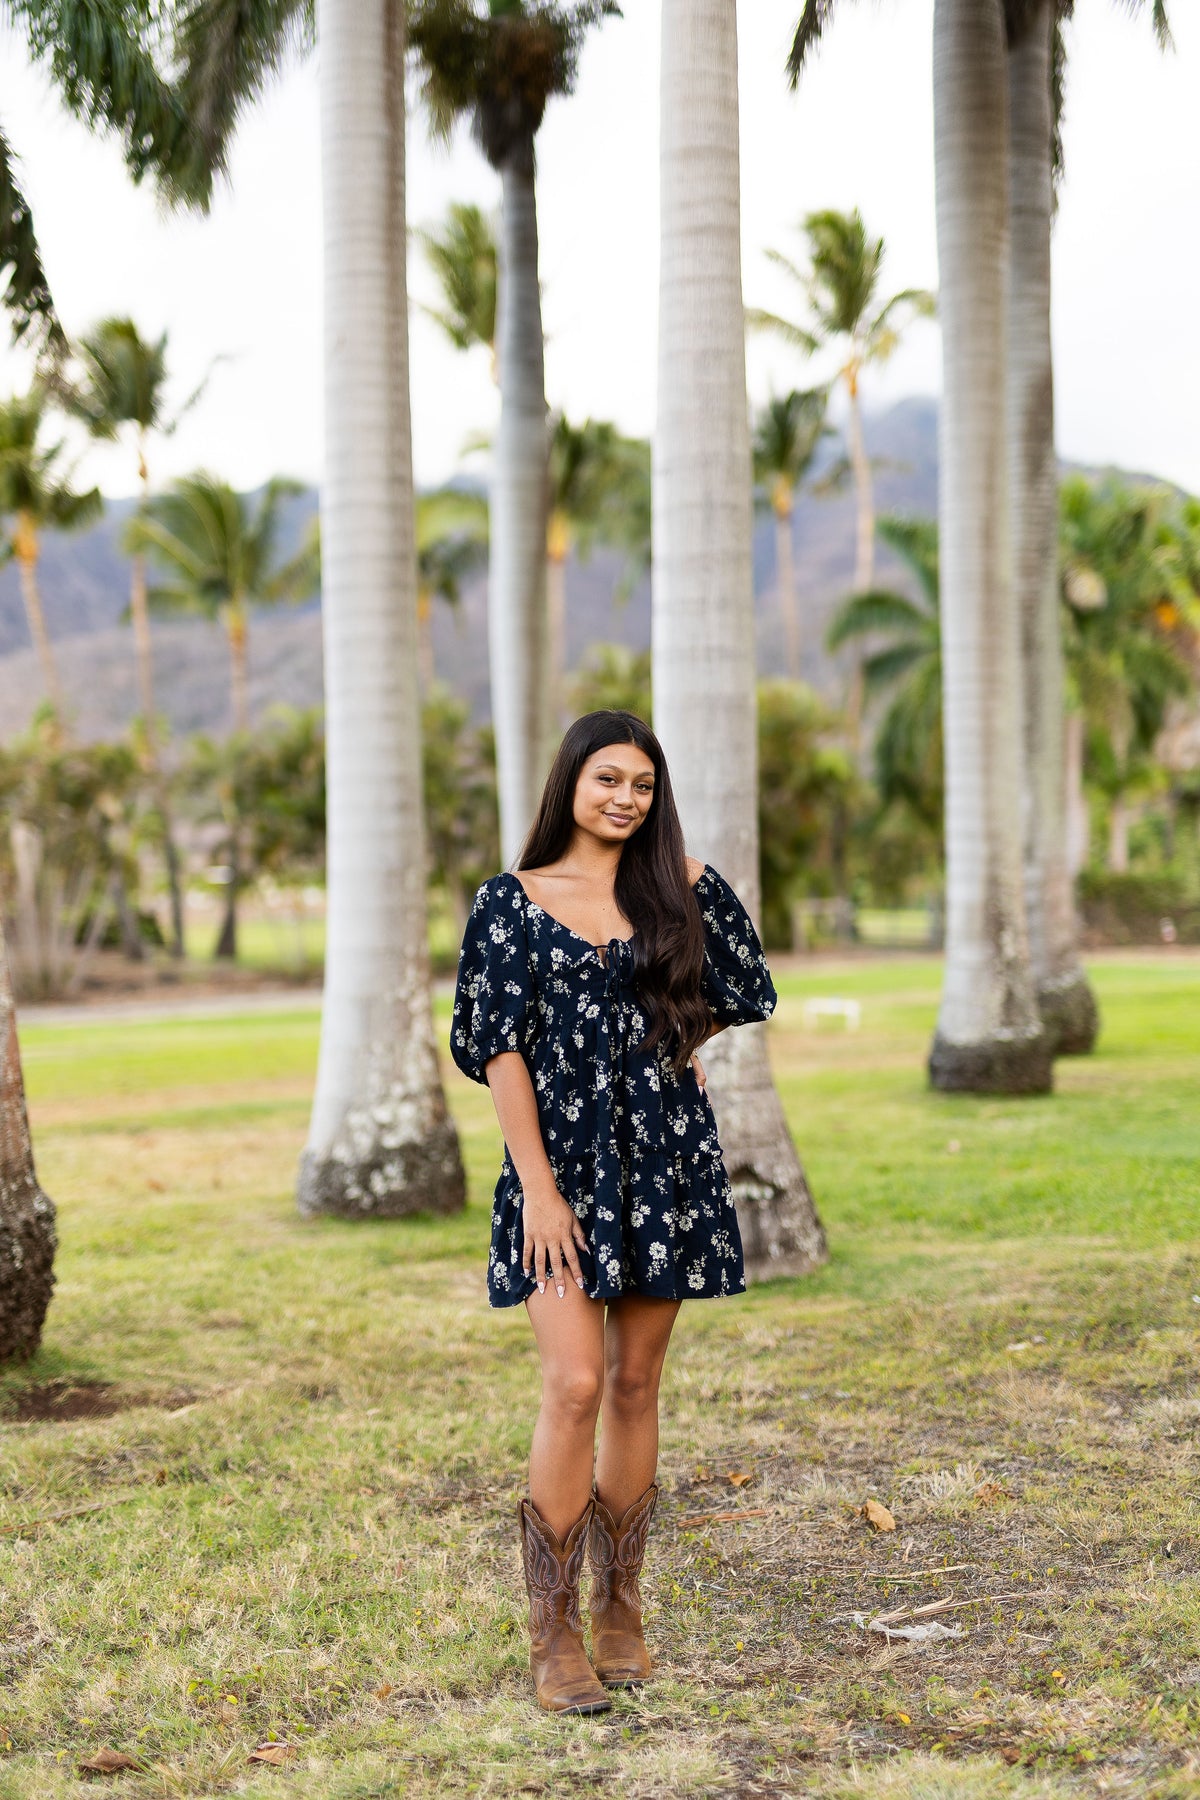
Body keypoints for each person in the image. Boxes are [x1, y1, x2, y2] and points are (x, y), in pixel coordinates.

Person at [450, 711, 777, 1715]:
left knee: (638, 1381)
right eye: (608, 779)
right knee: (577, 1382)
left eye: (642, 783)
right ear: (570, 784)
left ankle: (620, 1605)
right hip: (561, 1175)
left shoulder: (684, 887)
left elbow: (742, 989)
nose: (626, 798)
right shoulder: (510, 902)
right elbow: (496, 1047)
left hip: (665, 1162)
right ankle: (551, 1634)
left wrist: (675, 1048)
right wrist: (538, 1189)